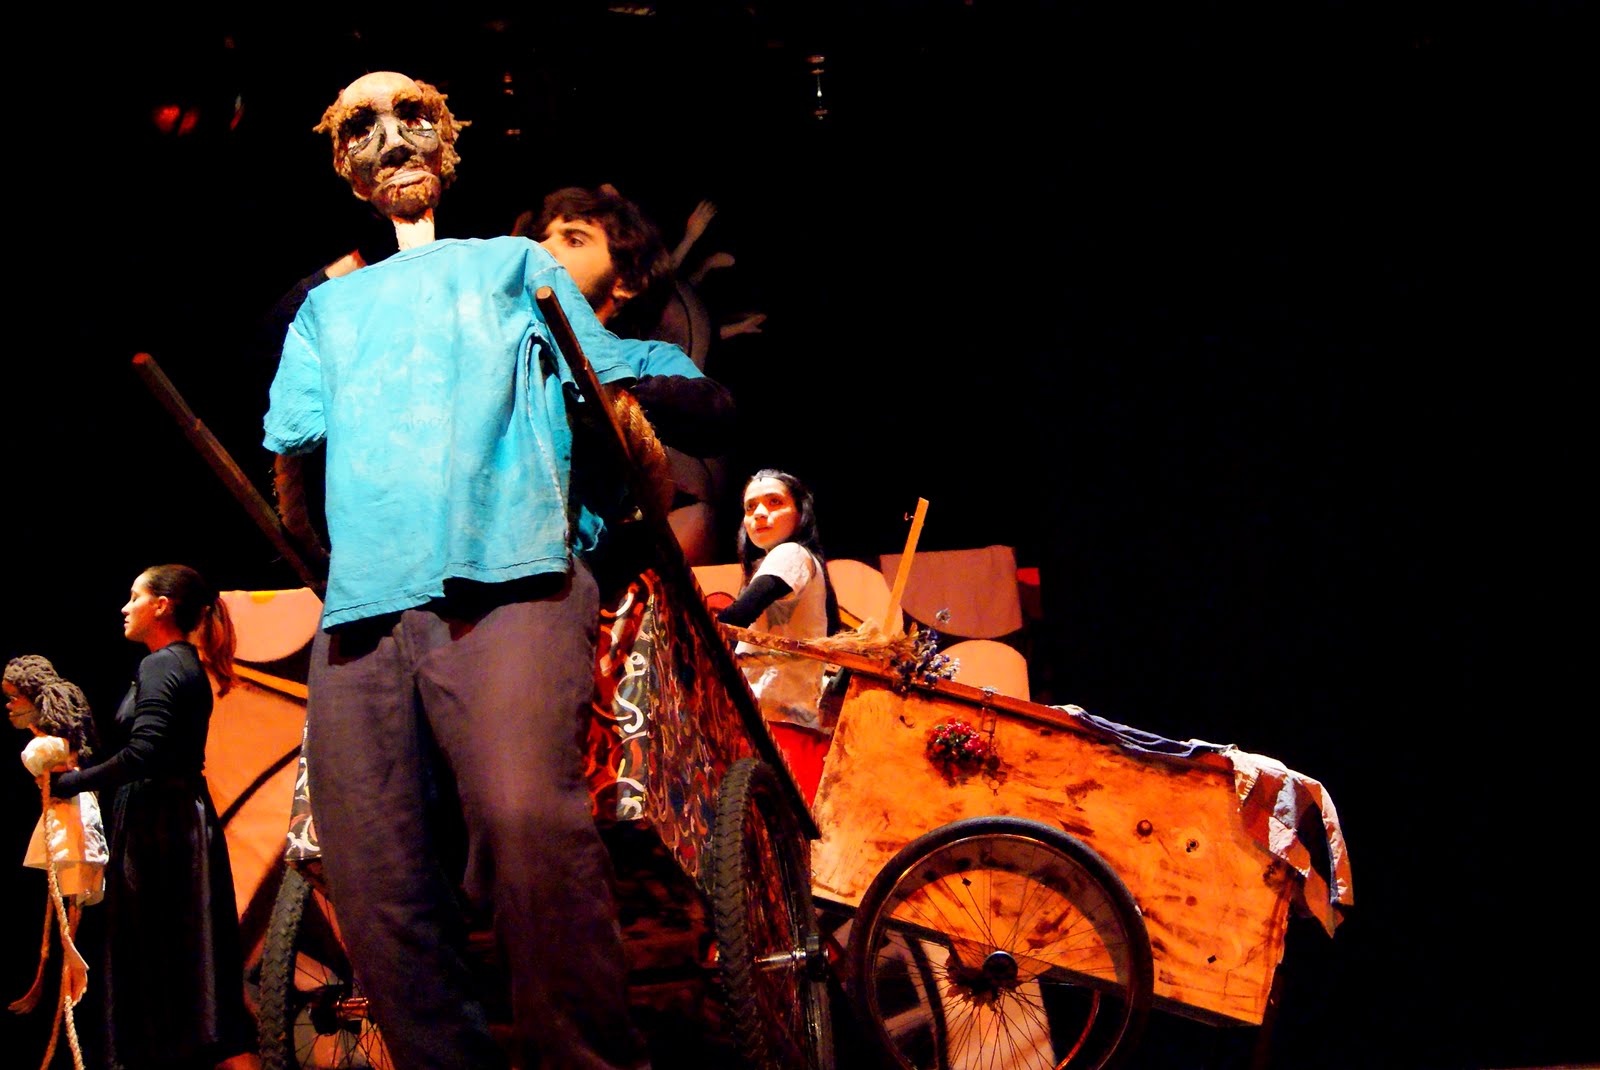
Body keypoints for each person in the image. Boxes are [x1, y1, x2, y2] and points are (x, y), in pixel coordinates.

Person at [265, 71, 648, 1070]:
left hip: (512, 571)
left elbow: (612, 403)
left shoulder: (515, 264)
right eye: (364, 127)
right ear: (345, 165)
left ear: (447, 140)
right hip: (368, 600)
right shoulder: (327, 311)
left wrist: (600, 513)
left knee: (525, 820)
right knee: (372, 866)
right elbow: (295, 454)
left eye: (413, 117)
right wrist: (336, 562)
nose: (394, 140)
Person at [46, 565, 257, 1070]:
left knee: (157, 963)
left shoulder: (161, 664)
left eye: (134, 597)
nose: (124, 608)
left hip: (160, 828)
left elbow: (144, 753)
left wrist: (71, 783)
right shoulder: (176, 664)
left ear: (161, 605)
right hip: (171, 820)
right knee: (171, 963)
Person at [516, 184, 737, 563]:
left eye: (574, 239)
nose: (543, 248)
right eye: (542, 238)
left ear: (626, 283)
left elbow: (715, 418)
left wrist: (613, 392)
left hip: (557, 560)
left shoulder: (641, 358)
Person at [717, 469, 841, 802]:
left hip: (778, 726)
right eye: (750, 507)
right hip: (789, 724)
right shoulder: (793, 563)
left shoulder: (791, 554)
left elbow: (737, 617)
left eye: (774, 502)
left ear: (801, 513)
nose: (759, 514)